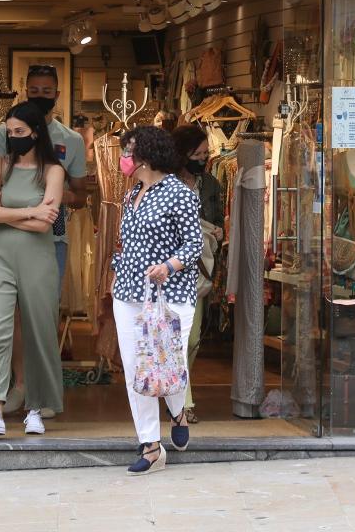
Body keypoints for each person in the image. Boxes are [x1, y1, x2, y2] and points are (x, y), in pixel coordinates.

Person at [0, 65, 87, 415]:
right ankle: (18, 385)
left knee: (41, 316)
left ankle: (42, 395)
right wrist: (34, 207)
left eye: (47, 90)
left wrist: (52, 198)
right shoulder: (5, 135)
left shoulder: (71, 140)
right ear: (24, 89)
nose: (40, 95)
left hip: (51, 238)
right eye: (34, 89)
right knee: (7, 318)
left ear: (57, 94)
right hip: (7, 241)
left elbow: (81, 194)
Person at [0, 102, 67, 436]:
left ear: (36, 133)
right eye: (9, 132)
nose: (12, 138)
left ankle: (36, 408)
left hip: (37, 260)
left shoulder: (54, 171)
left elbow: (46, 226)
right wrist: (31, 211)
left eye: (19, 132)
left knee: (39, 332)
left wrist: (9, 213)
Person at [113, 126, 203, 475]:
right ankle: (151, 445)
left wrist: (168, 266)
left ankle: (177, 411)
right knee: (137, 368)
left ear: (146, 155)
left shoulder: (179, 194)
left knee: (168, 363)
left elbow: (193, 245)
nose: (123, 158)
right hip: (129, 292)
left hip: (170, 294)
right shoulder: (130, 194)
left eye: (128, 151)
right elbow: (127, 243)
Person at [172, 124, 225, 424]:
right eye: (197, 154)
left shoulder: (212, 185)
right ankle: (182, 403)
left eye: (206, 154)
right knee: (176, 337)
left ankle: (177, 394)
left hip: (199, 270)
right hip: (169, 270)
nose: (203, 159)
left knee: (192, 340)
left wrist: (215, 230)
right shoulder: (165, 184)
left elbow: (218, 222)